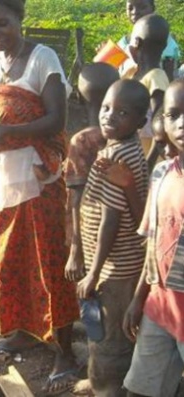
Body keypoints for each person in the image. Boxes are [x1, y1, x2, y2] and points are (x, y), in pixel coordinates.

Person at [0, 0, 80, 394]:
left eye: (3, 22)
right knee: (6, 258)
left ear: (20, 19)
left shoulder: (42, 58)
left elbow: (57, 119)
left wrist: (8, 135)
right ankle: (24, 329)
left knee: (46, 260)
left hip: (35, 177)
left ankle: (65, 349)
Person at [77, 79, 150, 397]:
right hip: (108, 263)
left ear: (140, 122)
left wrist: (93, 271)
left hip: (116, 267)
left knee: (111, 333)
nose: (109, 116)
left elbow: (111, 219)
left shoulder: (122, 158)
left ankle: (108, 387)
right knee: (100, 326)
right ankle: (99, 379)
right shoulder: (117, 148)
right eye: (107, 108)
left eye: (122, 113)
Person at [122, 78, 184, 397]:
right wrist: (139, 297)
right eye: (174, 115)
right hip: (160, 307)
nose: (182, 123)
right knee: (141, 389)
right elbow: (154, 243)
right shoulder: (161, 174)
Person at [64, 63, 120, 282]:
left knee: (89, 290)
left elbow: (76, 198)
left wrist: (75, 249)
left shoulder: (83, 140)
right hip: (117, 229)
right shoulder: (124, 132)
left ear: (78, 94)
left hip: (88, 232)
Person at [123, 14, 171, 159]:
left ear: (136, 42)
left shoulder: (156, 77)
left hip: (144, 158)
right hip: (128, 155)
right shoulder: (132, 73)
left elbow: (161, 124)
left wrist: (149, 164)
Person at [117, 0, 180, 81]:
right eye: (130, 8)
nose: (135, 12)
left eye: (142, 7)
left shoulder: (163, 39)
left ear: (153, 8)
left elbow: (169, 74)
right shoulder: (123, 43)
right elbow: (116, 71)